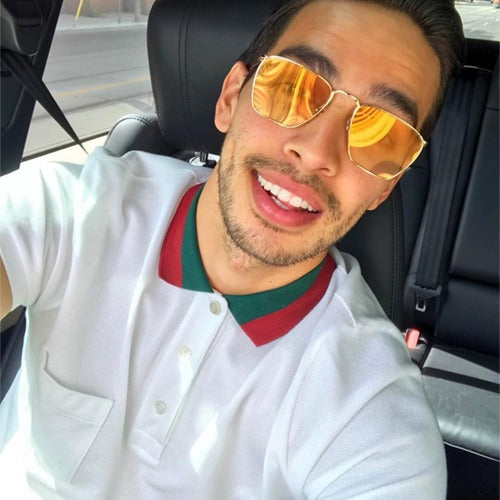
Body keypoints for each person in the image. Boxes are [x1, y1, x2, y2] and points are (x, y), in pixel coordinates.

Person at [0, 0, 465, 498]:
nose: (315, 152)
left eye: (382, 133)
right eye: (293, 88)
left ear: (385, 187)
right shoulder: (78, 211)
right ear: (230, 98)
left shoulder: (373, 414)